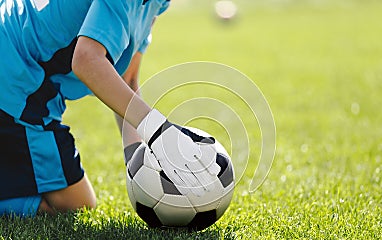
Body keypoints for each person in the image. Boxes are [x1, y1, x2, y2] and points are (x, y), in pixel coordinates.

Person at [0, 0, 220, 217]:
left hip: (23, 77)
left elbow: (127, 77)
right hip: (17, 81)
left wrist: (137, 158)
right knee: (76, 205)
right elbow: (86, 59)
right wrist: (160, 132)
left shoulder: (158, 2)